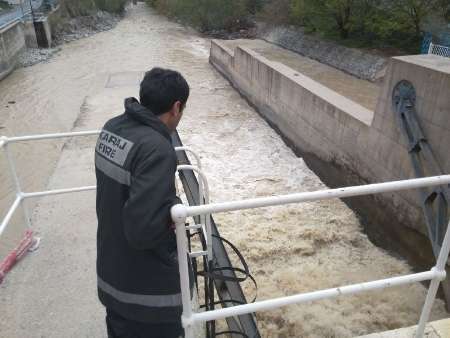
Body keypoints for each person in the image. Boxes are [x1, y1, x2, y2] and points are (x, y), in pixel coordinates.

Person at [95, 67, 189, 338]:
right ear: (176, 107)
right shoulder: (157, 149)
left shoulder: (112, 128)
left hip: (112, 276)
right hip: (147, 297)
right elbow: (143, 231)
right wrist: (173, 216)